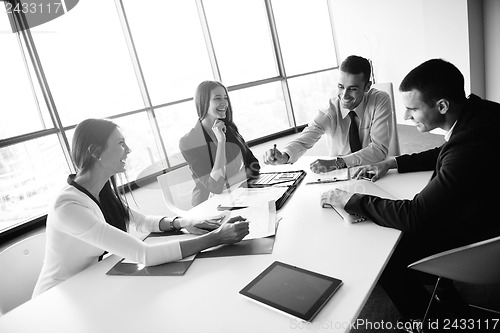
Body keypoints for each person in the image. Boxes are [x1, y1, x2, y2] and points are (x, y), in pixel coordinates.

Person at [323, 59, 500, 325]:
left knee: (384, 251)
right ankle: (443, 289)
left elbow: (414, 215)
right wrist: (394, 162)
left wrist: (351, 200)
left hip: (482, 239)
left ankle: (430, 323)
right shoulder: (481, 113)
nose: (406, 117)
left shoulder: (467, 146)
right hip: (490, 208)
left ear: (442, 105)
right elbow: (447, 153)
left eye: (412, 109)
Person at [33, 118, 249, 297]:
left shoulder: (100, 190)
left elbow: (142, 221)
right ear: (95, 152)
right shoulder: (68, 206)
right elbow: (143, 253)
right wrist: (217, 238)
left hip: (90, 285)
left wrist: (184, 222)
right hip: (57, 299)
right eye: (120, 143)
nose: (128, 150)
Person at [263, 55, 393, 173]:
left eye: (353, 89)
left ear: (367, 87)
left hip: (373, 170)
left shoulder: (379, 100)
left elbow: (378, 149)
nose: (345, 96)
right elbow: (305, 139)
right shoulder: (330, 110)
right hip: (339, 175)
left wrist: (338, 163)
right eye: (341, 87)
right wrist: (284, 156)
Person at [179, 80, 260, 207]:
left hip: (235, 194)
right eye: (217, 98)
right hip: (207, 204)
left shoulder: (229, 129)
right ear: (203, 102)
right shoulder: (188, 142)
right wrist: (221, 142)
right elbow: (215, 187)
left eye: (225, 98)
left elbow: (254, 165)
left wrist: (225, 185)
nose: (224, 103)